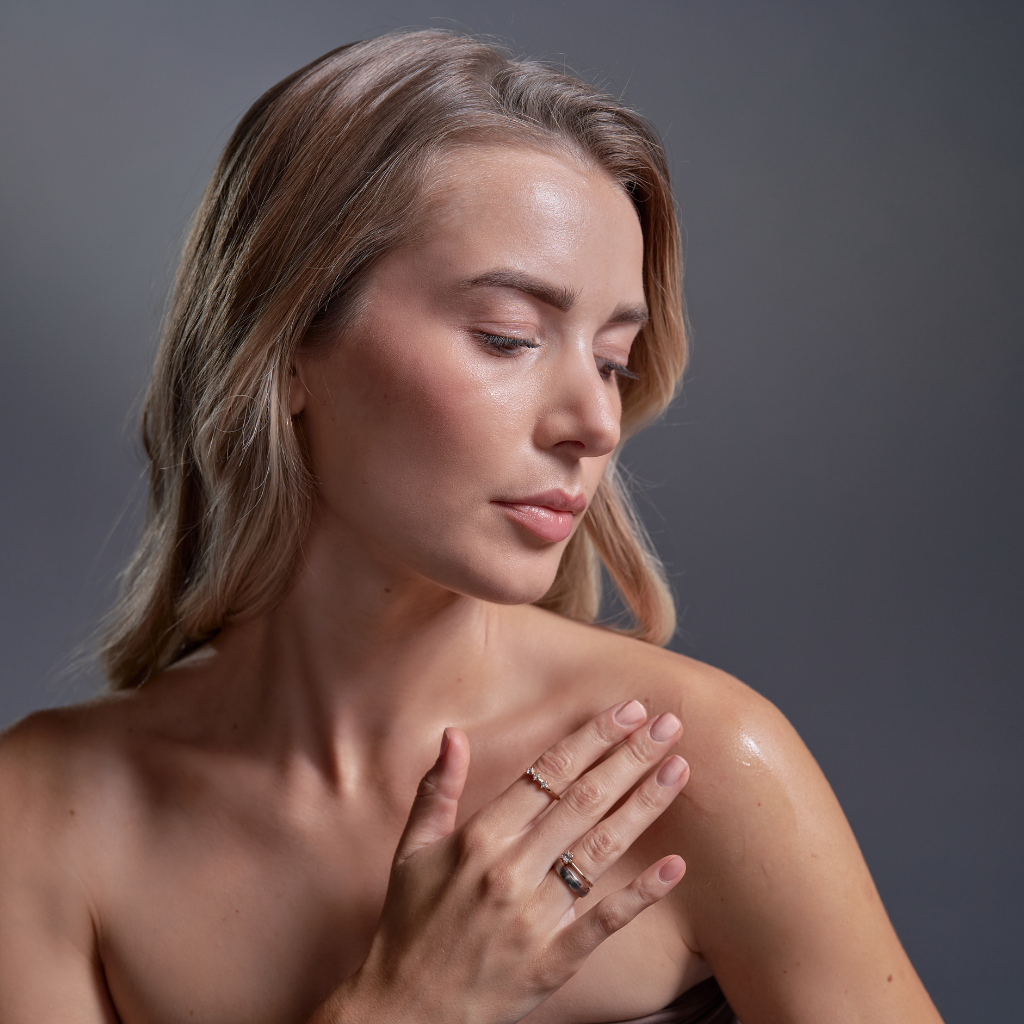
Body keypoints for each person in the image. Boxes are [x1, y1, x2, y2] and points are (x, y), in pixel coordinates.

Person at [0, 29, 943, 1024]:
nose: (596, 422)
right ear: (285, 349)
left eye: (613, 361)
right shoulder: (45, 816)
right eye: (509, 337)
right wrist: (402, 1006)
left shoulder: (697, 772)